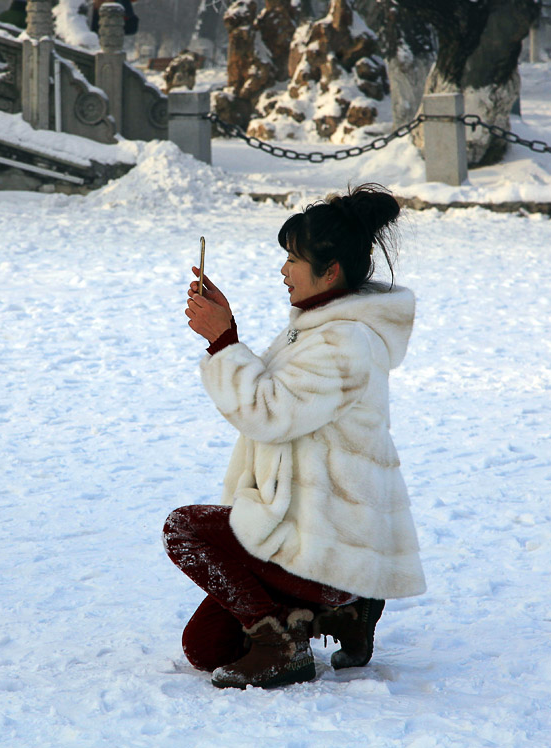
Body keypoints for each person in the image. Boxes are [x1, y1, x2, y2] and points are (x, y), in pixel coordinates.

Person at [163, 183, 426, 690]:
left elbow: (268, 412)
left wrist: (222, 340)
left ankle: (286, 642)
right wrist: (228, 331)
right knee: (206, 647)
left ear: (330, 271)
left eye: (293, 259)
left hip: (325, 543)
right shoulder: (317, 326)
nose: (283, 271)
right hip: (306, 530)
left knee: (184, 529)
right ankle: (346, 614)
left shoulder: (344, 341)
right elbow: (276, 394)